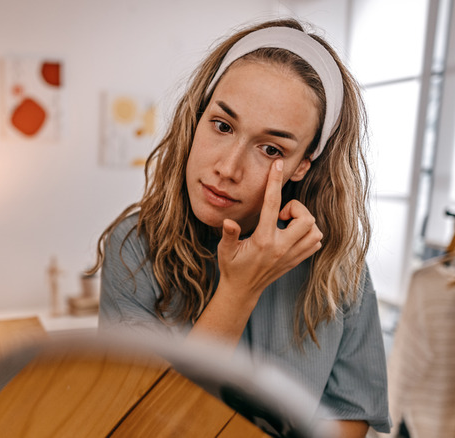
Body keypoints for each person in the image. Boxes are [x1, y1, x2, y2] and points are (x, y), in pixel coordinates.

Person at [89, 18, 391, 436]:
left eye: (270, 149)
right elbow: (147, 422)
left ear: (304, 164)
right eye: (223, 125)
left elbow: (348, 417)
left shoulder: (338, 268)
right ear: (197, 117)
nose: (227, 168)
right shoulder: (135, 247)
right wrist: (238, 290)